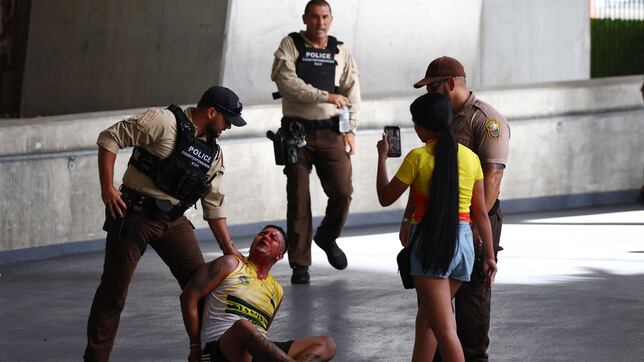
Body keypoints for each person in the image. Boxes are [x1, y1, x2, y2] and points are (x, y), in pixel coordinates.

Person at [84, 86, 246, 361]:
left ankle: (214, 355)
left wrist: (229, 249)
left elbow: (213, 204)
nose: (229, 126)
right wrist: (107, 189)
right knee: (113, 295)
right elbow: (110, 137)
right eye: (227, 119)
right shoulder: (163, 121)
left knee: (203, 287)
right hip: (133, 214)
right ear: (211, 112)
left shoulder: (212, 153)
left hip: (172, 221)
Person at [376, 93, 497, 361]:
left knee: (444, 330)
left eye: (415, 123)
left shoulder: (417, 158)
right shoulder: (469, 158)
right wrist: (488, 255)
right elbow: (480, 213)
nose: (415, 128)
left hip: (432, 246)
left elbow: (385, 197)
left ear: (423, 126)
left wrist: (382, 158)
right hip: (464, 245)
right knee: (427, 323)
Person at [413, 56, 510, 361]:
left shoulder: (485, 120)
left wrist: (470, 230)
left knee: (471, 306)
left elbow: (492, 178)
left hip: (473, 221)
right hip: (440, 222)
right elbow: (424, 174)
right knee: (434, 309)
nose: (428, 94)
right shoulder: (441, 118)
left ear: (451, 84)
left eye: (432, 87)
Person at [271, 0, 361, 284]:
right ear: (305, 18)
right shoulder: (291, 45)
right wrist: (324, 96)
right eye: (314, 17)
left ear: (331, 20)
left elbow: (351, 91)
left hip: (333, 132)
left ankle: (327, 237)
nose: (319, 22)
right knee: (298, 196)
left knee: (343, 191)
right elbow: (286, 82)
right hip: (297, 134)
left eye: (324, 17)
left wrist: (351, 129)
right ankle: (300, 264)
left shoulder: (340, 50)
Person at [180, 225, 337, 362]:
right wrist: (194, 346)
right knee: (244, 326)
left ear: (279, 255)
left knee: (326, 344)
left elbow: (263, 330)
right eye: (262, 234)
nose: (266, 237)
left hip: (255, 353)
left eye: (273, 237)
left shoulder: (276, 290)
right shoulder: (230, 264)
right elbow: (188, 297)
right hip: (221, 349)